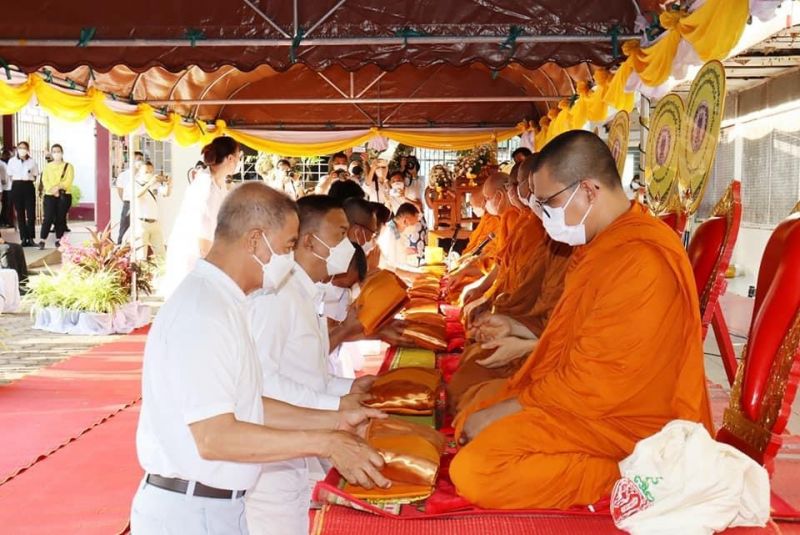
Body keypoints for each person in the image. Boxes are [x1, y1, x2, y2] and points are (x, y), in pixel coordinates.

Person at [449, 130, 712, 510]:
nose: (541, 216)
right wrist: (517, 331)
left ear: (588, 190)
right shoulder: (601, 245)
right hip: (589, 403)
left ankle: (636, 476)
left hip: (629, 423)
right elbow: (573, 338)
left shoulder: (640, 260)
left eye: (548, 203)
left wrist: (508, 409)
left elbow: (596, 383)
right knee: (477, 407)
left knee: (477, 470)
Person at [132, 182, 389, 535]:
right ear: (255, 240)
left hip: (220, 504)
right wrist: (324, 439)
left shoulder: (227, 302)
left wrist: (333, 420)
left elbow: (249, 406)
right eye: (286, 247)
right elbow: (214, 437)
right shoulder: (204, 311)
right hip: (191, 512)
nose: (289, 258)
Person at [246, 195, 378, 535]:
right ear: (308, 241)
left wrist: (349, 389)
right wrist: (335, 406)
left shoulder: (306, 293)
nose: (348, 247)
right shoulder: (276, 297)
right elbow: (260, 382)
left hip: (299, 444)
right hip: (270, 455)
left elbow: (309, 374)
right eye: (340, 236)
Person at [162, 137, 238, 297]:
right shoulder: (205, 186)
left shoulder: (218, 183)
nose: (239, 161)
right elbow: (203, 237)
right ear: (231, 158)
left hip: (202, 257)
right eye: (239, 157)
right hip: (193, 257)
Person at [37, 144, 74, 250]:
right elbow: (45, 180)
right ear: (52, 153)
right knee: (48, 217)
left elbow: (68, 181)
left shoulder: (68, 166)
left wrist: (58, 188)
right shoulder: (48, 167)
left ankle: (59, 239)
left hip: (64, 195)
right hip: (50, 195)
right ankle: (42, 239)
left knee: (60, 217)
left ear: (62, 153)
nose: (56, 153)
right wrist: (52, 190)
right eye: (54, 151)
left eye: (58, 151)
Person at [132, 162, 171, 261]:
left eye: (150, 171)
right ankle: (141, 275)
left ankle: (161, 274)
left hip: (154, 223)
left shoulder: (155, 185)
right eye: (146, 172)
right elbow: (137, 195)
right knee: (141, 255)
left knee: (161, 254)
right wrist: (149, 183)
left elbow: (165, 193)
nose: (148, 174)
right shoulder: (135, 184)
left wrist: (169, 184)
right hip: (141, 223)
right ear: (139, 172)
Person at [7, 142, 39, 247]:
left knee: (31, 213)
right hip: (17, 186)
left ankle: (31, 238)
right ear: (17, 149)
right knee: (20, 214)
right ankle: (23, 238)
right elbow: (10, 175)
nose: (22, 150)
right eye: (20, 148)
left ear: (28, 149)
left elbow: (35, 175)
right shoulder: (12, 161)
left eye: (24, 148)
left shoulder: (32, 161)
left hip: (28, 186)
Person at [376, 202, 421, 273]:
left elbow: (398, 251)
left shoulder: (395, 230)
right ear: (405, 221)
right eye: (413, 224)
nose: (414, 227)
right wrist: (411, 274)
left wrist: (405, 251)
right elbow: (389, 265)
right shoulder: (389, 232)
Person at [116, 151, 145, 244]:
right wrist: (127, 202)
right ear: (132, 160)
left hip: (141, 204)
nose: (140, 162)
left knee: (141, 229)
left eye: (142, 160)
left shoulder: (143, 175)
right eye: (138, 159)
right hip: (128, 204)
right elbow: (120, 191)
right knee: (124, 227)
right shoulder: (123, 175)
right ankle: (119, 248)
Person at [0, 149, 11, 228]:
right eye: (7, 155)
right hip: (4, 187)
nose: (8, 157)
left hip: (9, 187)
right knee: (4, 205)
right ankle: (3, 221)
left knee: (7, 205)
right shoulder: (1, 163)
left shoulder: (9, 163)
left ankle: (6, 221)